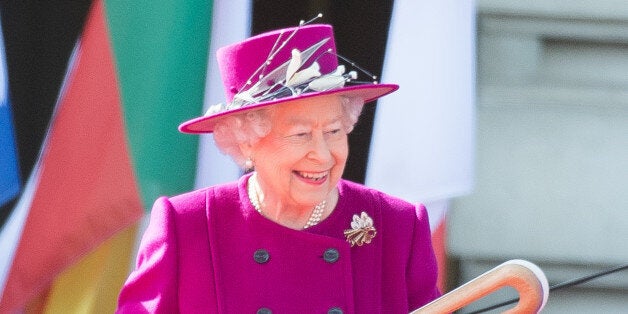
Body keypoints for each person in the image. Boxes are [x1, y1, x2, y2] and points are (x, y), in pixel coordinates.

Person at [117, 22, 440, 314]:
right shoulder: (187, 224)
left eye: (333, 132)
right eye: (300, 135)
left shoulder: (399, 225)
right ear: (246, 141)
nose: (323, 155)